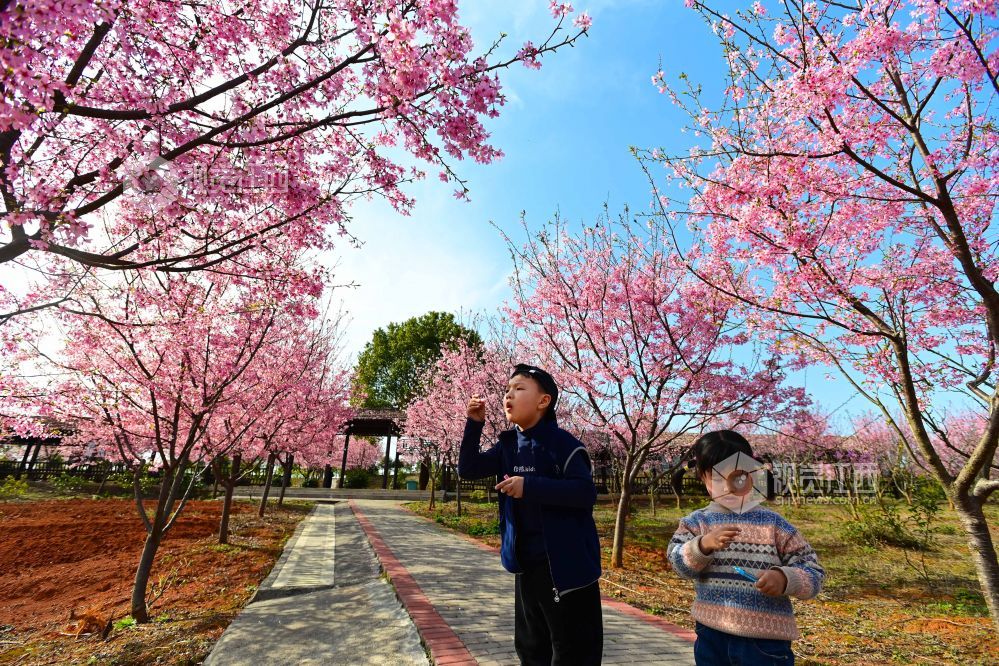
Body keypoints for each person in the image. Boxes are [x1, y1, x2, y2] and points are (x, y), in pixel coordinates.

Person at [460, 363, 602, 666]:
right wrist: (474, 425)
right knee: (531, 649)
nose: (508, 395)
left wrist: (530, 486)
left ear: (543, 400)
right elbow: (468, 469)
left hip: (567, 569)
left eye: (519, 388)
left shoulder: (565, 446)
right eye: (507, 390)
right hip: (526, 567)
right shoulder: (507, 446)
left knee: (573, 651)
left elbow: (585, 494)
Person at [667, 430, 825, 665]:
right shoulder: (697, 523)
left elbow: (814, 571)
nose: (730, 487)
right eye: (719, 479)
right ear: (703, 478)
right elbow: (677, 563)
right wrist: (702, 545)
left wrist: (785, 578)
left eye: (739, 477)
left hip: (764, 643)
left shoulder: (774, 525)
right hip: (711, 635)